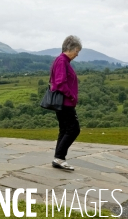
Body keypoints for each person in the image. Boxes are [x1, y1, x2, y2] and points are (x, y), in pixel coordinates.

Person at [50, 35, 82, 171]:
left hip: (64, 102)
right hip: (65, 103)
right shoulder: (62, 61)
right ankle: (59, 158)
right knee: (73, 129)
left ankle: (58, 158)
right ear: (71, 49)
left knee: (64, 129)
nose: (77, 54)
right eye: (77, 51)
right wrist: (72, 96)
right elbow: (60, 83)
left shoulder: (62, 61)